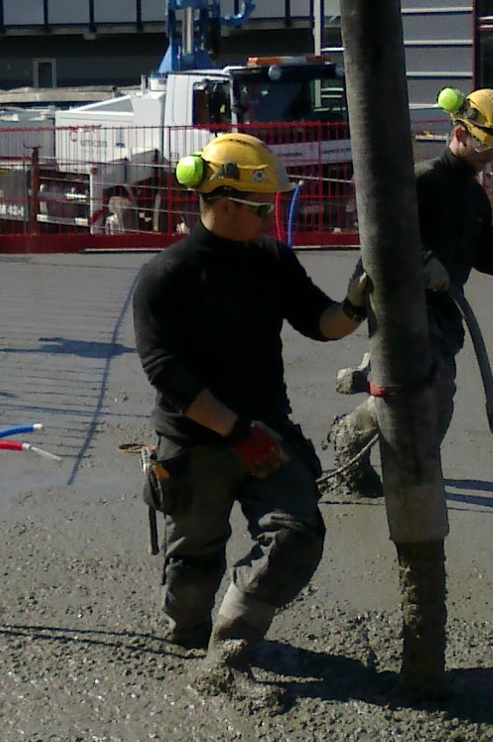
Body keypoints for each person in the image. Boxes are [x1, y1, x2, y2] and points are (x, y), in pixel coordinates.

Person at [132, 132, 370, 661]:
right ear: (221, 203)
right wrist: (237, 432)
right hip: (196, 441)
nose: (270, 217)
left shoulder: (271, 260)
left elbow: (320, 322)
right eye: (261, 208)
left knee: (298, 535)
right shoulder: (164, 277)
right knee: (194, 564)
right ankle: (191, 643)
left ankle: (232, 634)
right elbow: (166, 372)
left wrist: (356, 300)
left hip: (266, 429)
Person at [328, 88, 493, 496]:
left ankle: (379, 445)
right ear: (459, 133)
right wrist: (421, 258)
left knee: (430, 394)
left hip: (441, 314)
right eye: (485, 147)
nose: (491, 157)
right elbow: (379, 238)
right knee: (429, 389)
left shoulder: (474, 197)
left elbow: (486, 257)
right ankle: (391, 458)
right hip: (397, 306)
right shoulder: (421, 182)